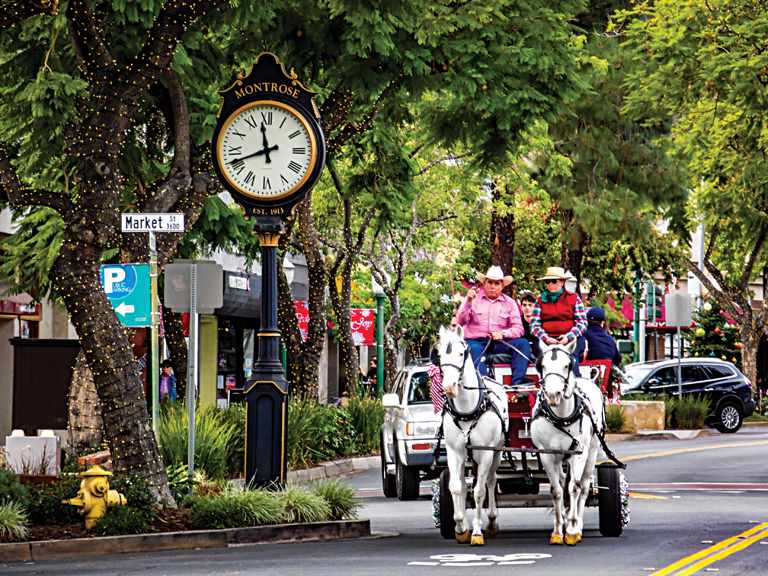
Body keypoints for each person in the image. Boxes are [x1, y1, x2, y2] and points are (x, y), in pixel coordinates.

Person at [456, 265, 530, 384]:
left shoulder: (510, 303)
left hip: (499, 342)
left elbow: (519, 329)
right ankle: (485, 385)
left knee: (523, 344)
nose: (492, 286)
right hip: (476, 341)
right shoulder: (472, 299)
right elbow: (460, 321)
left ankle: (517, 384)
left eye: (496, 283)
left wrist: (503, 333)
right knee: (473, 349)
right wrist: (468, 303)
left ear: (502, 286)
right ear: (484, 283)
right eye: (490, 282)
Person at [529, 266, 587, 376]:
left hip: (570, 338)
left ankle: (574, 380)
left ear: (562, 282)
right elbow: (534, 325)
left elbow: (582, 322)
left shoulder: (574, 298)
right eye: (547, 281)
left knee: (570, 358)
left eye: (554, 281)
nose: (550, 284)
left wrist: (568, 337)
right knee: (544, 360)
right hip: (546, 339)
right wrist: (545, 337)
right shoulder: (540, 300)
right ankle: (544, 381)